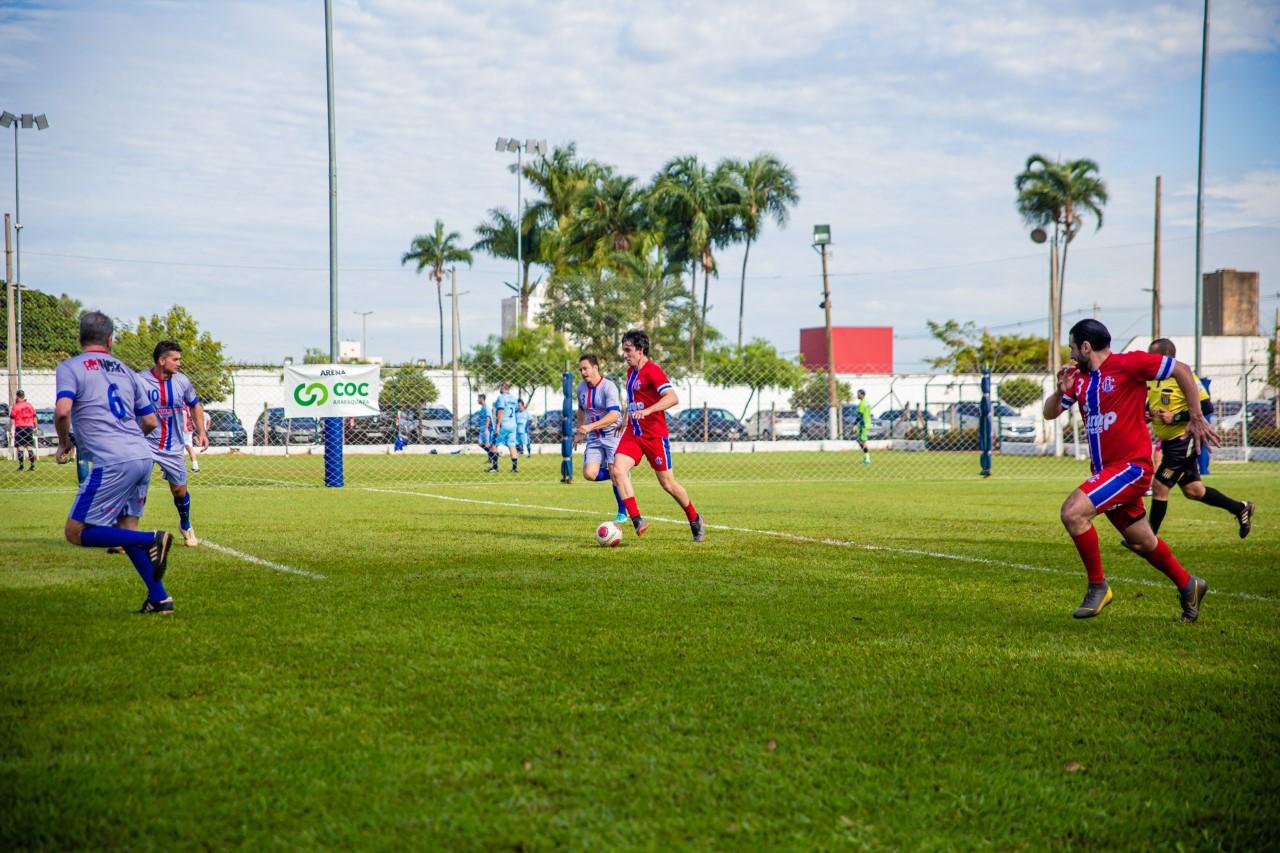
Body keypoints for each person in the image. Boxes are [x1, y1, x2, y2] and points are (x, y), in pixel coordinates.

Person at [1043, 319, 1214, 623]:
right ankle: (1190, 585)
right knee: (1142, 542)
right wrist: (1060, 392)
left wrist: (1196, 416)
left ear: (1086, 347)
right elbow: (1050, 413)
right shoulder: (1079, 380)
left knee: (1072, 512)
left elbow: (1182, 370)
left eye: (1072, 347)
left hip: (1131, 468)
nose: (1070, 355)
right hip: (1107, 472)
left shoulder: (1130, 364)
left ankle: (1098, 586)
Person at [54, 311, 175, 614]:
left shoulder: (70, 367)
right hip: (142, 456)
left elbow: (62, 411)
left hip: (111, 461)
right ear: (110, 340)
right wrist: (129, 438)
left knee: (75, 531)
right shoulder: (126, 370)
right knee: (125, 526)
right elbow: (149, 420)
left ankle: (154, 539)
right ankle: (160, 599)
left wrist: (64, 443)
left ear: (80, 338)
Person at [1140, 338, 1253, 540]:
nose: (1148, 359)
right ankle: (1240, 508)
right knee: (1194, 491)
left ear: (1166, 357)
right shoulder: (1154, 379)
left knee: (1159, 487)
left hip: (1184, 440)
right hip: (1170, 442)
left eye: (1152, 356)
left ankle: (1148, 539)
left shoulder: (1184, 376)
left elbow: (1206, 407)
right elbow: (1153, 403)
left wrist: (1174, 417)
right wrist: (1147, 412)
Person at [610, 329, 704, 541]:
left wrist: (650, 410)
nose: (625, 355)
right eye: (623, 350)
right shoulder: (630, 372)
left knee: (668, 484)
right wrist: (626, 418)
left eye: (628, 350)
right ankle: (637, 519)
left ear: (641, 350)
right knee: (617, 470)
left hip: (654, 436)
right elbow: (634, 400)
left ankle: (694, 517)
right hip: (634, 433)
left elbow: (672, 397)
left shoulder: (653, 371)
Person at [133, 341, 209, 547]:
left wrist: (201, 430)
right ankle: (127, 534)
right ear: (161, 360)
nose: (179, 363)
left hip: (173, 446)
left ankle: (185, 525)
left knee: (179, 491)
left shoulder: (181, 381)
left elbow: (195, 405)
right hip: (144, 444)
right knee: (137, 488)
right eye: (175, 359)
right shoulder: (139, 381)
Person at [574, 353, 629, 524]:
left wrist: (589, 427)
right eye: (580, 369)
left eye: (586, 368)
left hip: (613, 435)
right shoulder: (581, 388)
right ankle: (620, 475)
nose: (583, 372)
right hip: (595, 438)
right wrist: (579, 432)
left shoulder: (608, 387)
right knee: (589, 474)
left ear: (595, 368)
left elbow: (614, 415)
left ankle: (622, 513)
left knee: (615, 471)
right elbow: (582, 410)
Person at [490, 381, 521, 473]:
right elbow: (515, 411)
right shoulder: (514, 398)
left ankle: (495, 467)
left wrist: (498, 425)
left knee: (494, 444)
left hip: (504, 424)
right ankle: (514, 468)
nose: (499, 388)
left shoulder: (501, 397)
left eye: (500, 386)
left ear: (503, 387)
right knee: (512, 445)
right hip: (513, 425)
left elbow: (500, 412)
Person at [11, 389, 37, 471]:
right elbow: (34, 416)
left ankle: (21, 467)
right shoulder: (29, 405)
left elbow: (12, 418)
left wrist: (12, 429)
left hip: (20, 427)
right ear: (24, 396)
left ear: (17, 396)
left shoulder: (15, 406)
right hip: (29, 427)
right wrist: (35, 427)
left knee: (20, 447)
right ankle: (32, 466)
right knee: (29, 446)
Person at [474, 393, 496, 470]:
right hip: (482, 428)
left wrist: (486, 429)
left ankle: (494, 460)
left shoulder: (487, 408)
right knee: (480, 444)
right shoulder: (482, 408)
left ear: (482, 399)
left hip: (487, 429)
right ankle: (492, 456)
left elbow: (488, 419)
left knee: (488, 445)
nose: (477, 400)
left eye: (478, 399)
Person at [854, 388, 872, 465]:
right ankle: (866, 457)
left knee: (862, 441)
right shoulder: (867, 403)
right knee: (859, 439)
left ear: (862, 394)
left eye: (858, 394)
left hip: (863, 424)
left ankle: (867, 458)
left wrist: (854, 425)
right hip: (867, 423)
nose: (857, 395)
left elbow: (860, 415)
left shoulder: (861, 404)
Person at [182, 404, 202, 472]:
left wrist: (184, 426)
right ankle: (195, 466)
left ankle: (181, 465)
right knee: (189, 447)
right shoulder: (189, 404)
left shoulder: (182, 403)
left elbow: (184, 414)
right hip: (189, 427)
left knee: (180, 447)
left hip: (184, 428)